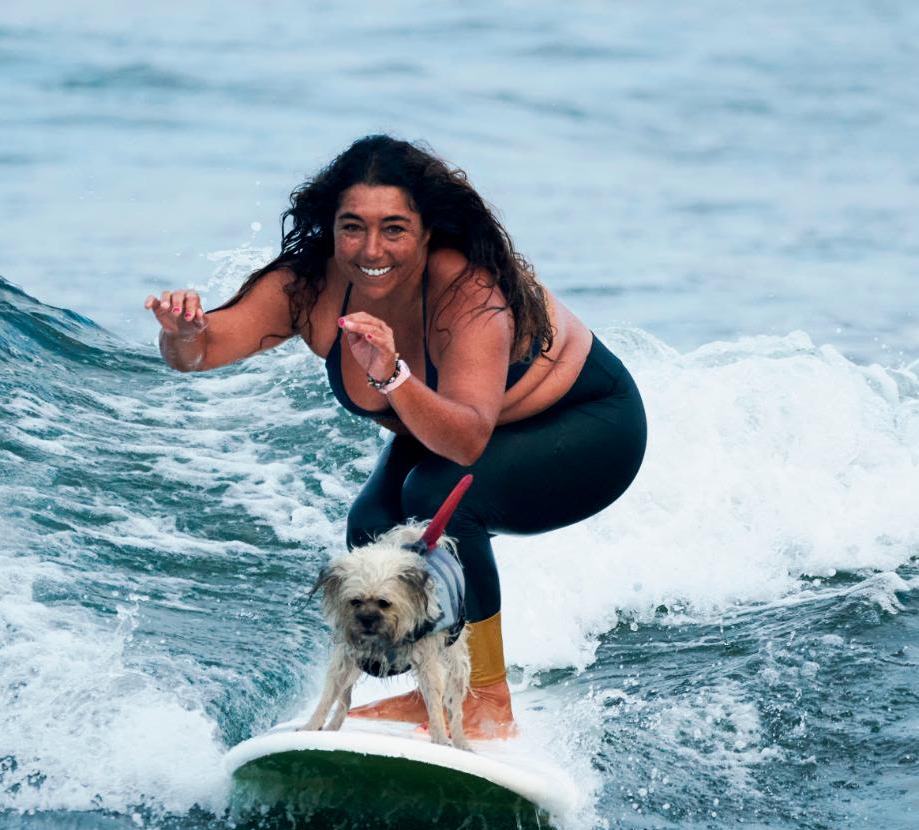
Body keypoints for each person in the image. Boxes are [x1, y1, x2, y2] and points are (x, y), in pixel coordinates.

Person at [145, 135, 647, 739]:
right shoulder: (307, 287)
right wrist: (182, 332)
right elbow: (201, 351)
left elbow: (463, 443)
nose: (371, 249)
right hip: (458, 428)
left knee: (435, 496)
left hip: (591, 428)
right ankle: (427, 687)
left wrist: (388, 370)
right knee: (373, 525)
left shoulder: (470, 295)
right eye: (352, 228)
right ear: (330, 227)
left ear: (427, 230)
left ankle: (487, 697)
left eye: (394, 229)